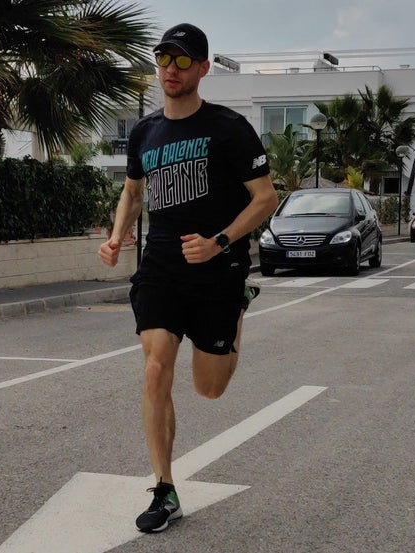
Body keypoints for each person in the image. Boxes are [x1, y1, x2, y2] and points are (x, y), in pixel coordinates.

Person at [98, 22, 278, 533]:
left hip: (219, 269)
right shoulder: (145, 131)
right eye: (163, 59)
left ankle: (238, 305)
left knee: (210, 389)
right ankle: (164, 488)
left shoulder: (228, 128)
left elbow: (266, 198)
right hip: (160, 269)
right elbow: (133, 192)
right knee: (155, 369)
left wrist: (220, 242)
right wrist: (117, 237)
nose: (170, 70)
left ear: (202, 69)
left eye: (182, 61)